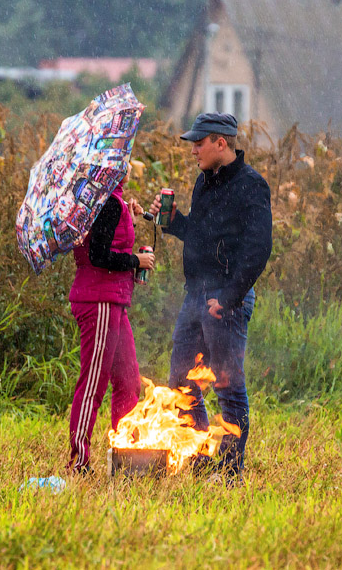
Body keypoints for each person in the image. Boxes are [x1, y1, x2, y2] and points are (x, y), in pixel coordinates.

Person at [150, 112, 272, 481]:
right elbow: (200, 237)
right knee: (180, 380)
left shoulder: (253, 186)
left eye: (199, 143)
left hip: (225, 300)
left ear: (222, 142)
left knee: (228, 386)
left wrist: (231, 297)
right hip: (195, 295)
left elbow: (258, 248)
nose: (193, 151)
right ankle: (203, 461)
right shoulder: (204, 183)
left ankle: (232, 470)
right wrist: (169, 222)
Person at [67, 178, 154, 474]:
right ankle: (79, 462)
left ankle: (126, 457)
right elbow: (98, 255)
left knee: (129, 381)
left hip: (114, 301)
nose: (129, 165)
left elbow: (104, 239)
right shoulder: (105, 203)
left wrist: (126, 213)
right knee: (93, 384)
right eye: (125, 159)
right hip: (100, 300)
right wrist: (136, 261)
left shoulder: (108, 200)